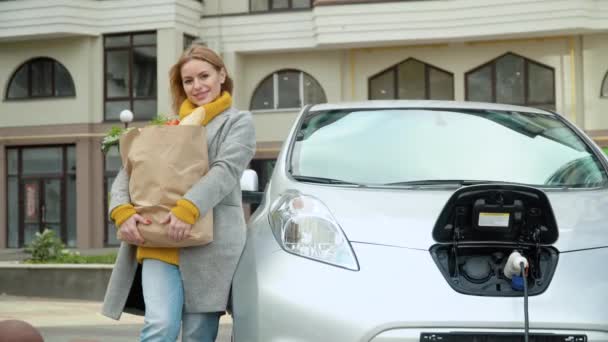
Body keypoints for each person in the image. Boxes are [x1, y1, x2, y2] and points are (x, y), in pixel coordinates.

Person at [101, 44, 256, 342]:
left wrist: (188, 209)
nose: (197, 86)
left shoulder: (238, 122)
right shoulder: (168, 126)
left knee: (198, 335)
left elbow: (225, 171)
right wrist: (122, 212)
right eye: (188, 80)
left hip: (210, 246)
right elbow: (129, 172)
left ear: (221, 75)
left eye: (204, 76)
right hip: (157, 240)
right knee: (159, 326)